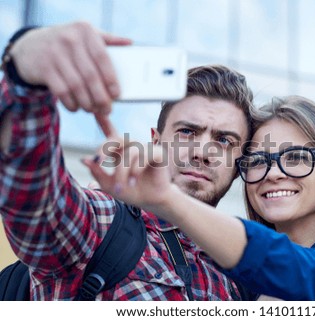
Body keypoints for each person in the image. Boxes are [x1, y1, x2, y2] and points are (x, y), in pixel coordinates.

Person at [0, 22, 256, 300]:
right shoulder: (104, 223)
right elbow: (35, 203)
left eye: (224, 140)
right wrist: (24, 72)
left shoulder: (240, 276)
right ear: (155, 141)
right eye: (186, 132)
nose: (203, 152)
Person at [86, 96, 315, 300]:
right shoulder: (229, 285)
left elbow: (298, 270)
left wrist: (168, 199)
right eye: (258, 161)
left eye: (294, 157)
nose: (273, 173)